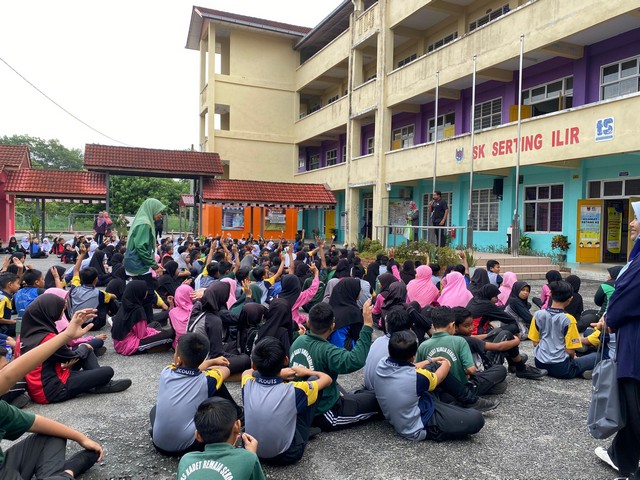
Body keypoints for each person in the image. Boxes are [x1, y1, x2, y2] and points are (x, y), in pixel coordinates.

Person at [0, 306, 103, 479]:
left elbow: (36, 422)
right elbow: (9, 376)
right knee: (98, 364)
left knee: (54, 434)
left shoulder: (1, 407)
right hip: (55, 389)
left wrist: (81, 438)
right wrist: (69, 337)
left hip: (4, 467)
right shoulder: (45, 335)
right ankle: (68, 472)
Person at [594, 201, 640, 479]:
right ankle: (620, 456)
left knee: (634, 408)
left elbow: (624, 298)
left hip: (635, 346)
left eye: (637, 218)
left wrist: (609, 318)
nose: (631, 224)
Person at [374, 330, 485, 441]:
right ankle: (467, 402)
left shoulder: (381, 364)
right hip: (419, 424)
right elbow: (439, 377)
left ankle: (467, 400)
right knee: (476, 418)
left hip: (408, 407)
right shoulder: (416, 378)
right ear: (412, 357)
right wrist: (446, 363)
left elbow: (412, 366)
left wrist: (431, 360)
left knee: (435, 366)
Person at [19, 295, 131, 404]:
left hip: (40, 386)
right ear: (50, 311)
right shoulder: (47, 338)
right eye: (61, 309)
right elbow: (73, 356)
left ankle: (96, 384)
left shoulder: (23, 337)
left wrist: (83, 347)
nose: (63, 312)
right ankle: (99, 385)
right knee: (107, 371)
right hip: (54, 390)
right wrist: (84, 346)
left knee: (87, 351)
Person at [289, 300, 379, 431]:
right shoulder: (327, 351)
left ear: (309, 322)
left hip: (303, 402)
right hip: (324, 412)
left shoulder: (299, 340)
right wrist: (367, 325)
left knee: (358, 394)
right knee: (378, 400)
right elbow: (355, 360)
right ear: (332, 326)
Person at [242, 337, 331, 465]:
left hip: (251, 449)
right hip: (287, 454)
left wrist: (278, 374)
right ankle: (303, 431)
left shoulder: (247, 383)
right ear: (286, 360)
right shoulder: (295, 390)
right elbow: (327, 379)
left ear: (254, 365)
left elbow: (247, 372)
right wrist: (307, 371)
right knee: (313, 382)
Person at [151, 333, 231, 456]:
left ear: (178, 359)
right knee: (215, 390)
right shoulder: (207, 381)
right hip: (189, 447)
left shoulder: (166, 371)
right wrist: (213, 364)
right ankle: (237, 415)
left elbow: (190, 368)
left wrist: (210, 363)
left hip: (158, 444)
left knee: (155, 410)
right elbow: (226, 370)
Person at [416, 306, 508, 396]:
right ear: (452, 325)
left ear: (433, 326)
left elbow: (417, 370)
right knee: (500, 370)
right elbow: (471, 370)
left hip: (437, 390)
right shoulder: (460, 341)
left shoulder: (423, 346)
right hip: (461, 390)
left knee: (499, 385)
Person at [177, 397, 265, 480]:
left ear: (197, 435)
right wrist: (251, 455)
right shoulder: (249, 458)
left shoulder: (186, 460)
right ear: (237, 425)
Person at [453, 307, 546, 380]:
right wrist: (516, 341)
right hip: (485, 369)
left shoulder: (456, 337)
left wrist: (492, 334)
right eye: (466, 326)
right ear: (455, 327)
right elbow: (498, 347)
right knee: (506, 334)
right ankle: (520, 368)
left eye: (471, 324)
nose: (471, 328)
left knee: (498, 332)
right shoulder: (467, 340)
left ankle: (514, 363)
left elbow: (476, 337)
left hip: (479, 362)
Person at [529, 281, 596, 379]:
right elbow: (570, 350)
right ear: (570, 299)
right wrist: (574, 358)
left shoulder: (538, 314)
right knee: (597, 356)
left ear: (550, 294)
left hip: (540, 363)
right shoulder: (569, 319)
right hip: (561, 368)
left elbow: (535, 343)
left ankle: (582, 371)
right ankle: (581, 372)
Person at [124, 198, 166, 323]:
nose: (160, 215)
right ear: (152, 210)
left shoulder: (143, 221)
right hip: (138, 264)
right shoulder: (144, 224)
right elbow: (141, 247)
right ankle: (146, 323)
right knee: (148, 294)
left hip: (137, 263)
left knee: (140, 295)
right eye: (159, 211)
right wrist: (154, 265)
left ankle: (142, 322)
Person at [111, 281, 175, 356]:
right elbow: (142, 335)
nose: (147, 292)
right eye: (145, 290)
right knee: (170, 333)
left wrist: (155, 333)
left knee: (155, 324)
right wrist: (155, 333)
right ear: (139, 292)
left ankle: (159, 343)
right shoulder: (138, 310)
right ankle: (156, 345)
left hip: (119, 343)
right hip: (130, 346)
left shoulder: (126, 304)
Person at [328, 278, 364, 350]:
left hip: (328, 347)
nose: (361, 291)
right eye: (359, 289)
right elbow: (359, 337)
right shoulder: (353, 312)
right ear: (352, 291)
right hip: (344, 351)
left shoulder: (332, 305)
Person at [169, 284, 194, 350]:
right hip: (194, 346)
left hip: (178, 347)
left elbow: (173, 328)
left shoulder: (172, 312)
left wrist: (171, 306)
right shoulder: (195, 310)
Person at [0, 273, 19, 337]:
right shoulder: (3, 299)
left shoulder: (6, 296)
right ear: (10, 284)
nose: (19, 286)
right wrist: (12, 321)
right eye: (17, 283)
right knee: (22, 326)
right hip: (2, 330)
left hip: (4, 327)